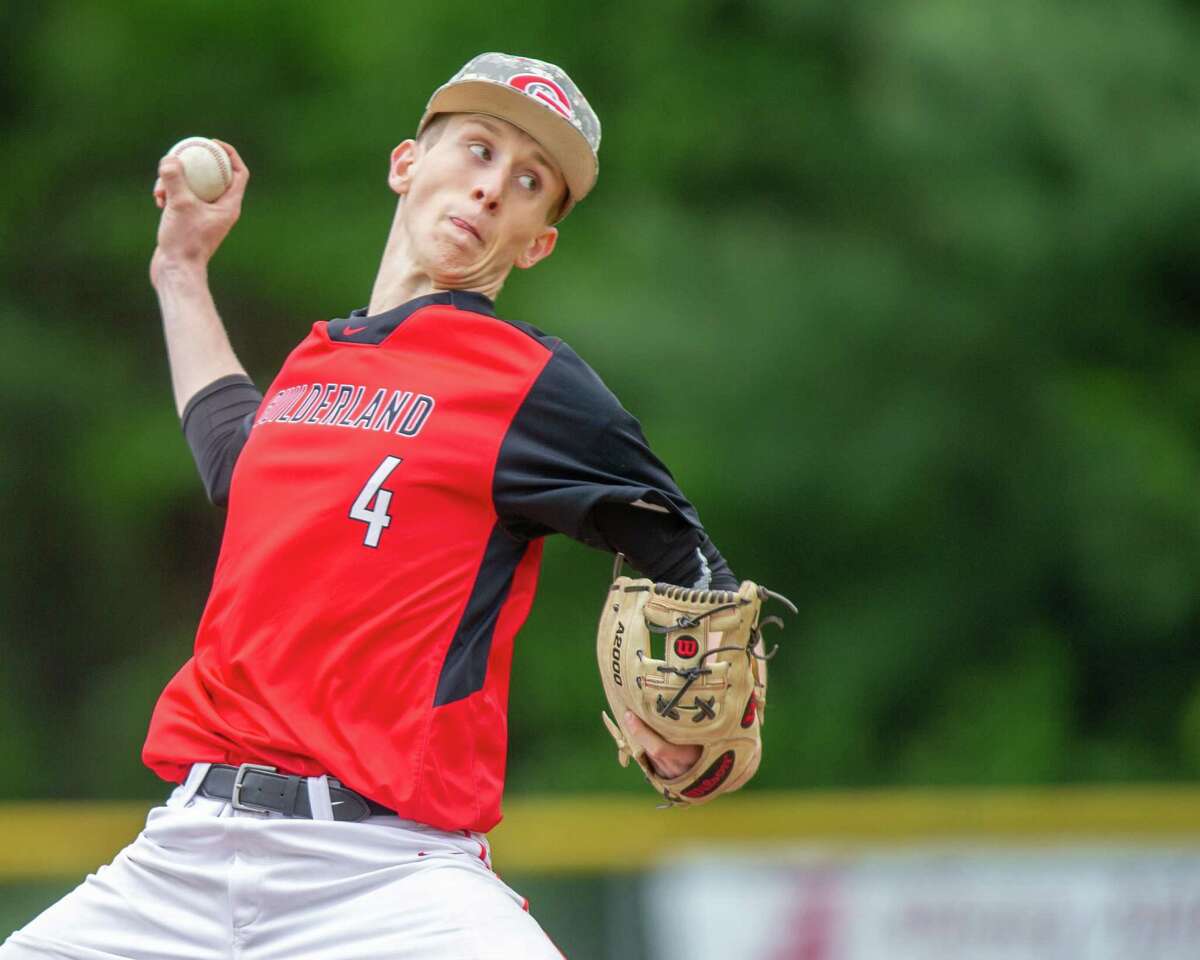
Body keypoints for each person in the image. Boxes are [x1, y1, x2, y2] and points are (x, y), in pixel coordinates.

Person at [1, 53, 739, 959]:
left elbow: (681, 548)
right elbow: (237, 458)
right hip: (183, 860)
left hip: (389, 875)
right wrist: (180, 268)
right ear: (405, 165)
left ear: (536, 241)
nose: (491, 187)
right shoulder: (318, 363)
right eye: (476, 148)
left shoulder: (530, 384)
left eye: (528, 182)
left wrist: (689, 726)